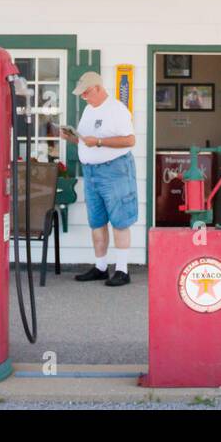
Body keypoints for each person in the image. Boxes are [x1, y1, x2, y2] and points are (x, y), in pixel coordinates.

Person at [63, 71, 137, 286]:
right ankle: (101, 266)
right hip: (92, 171)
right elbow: (88, 142)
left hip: (114, 170)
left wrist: (99, 143)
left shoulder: (117, 109)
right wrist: (73, 139)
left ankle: (122, 270)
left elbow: (129, 140)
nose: (83, 98)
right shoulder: (88, 110)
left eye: (86, 93)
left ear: (97, 88)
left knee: (120, 220)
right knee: (97, 221)